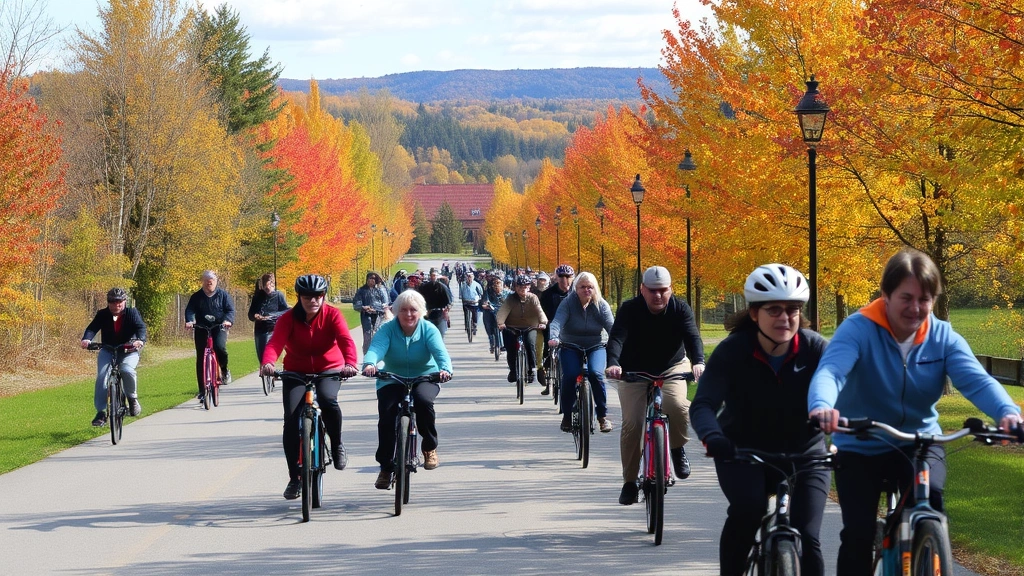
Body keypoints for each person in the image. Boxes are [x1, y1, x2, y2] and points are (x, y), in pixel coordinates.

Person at [808, 248, 1022, 575]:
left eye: (925, 299)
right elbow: (831, 372)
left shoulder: (941, 336)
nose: (916, 308)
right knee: (858, 534)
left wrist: (1008, 413)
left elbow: (976, 380)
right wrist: (822, 406)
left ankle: (927, 545)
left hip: (920, 441)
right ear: (886, 295)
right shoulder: (858, 329)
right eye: (906, 297)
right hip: (861, 442)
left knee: (931, 497)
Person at [691, 264, 829, 576]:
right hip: (743, 452)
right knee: (748, 512)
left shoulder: (816, 349)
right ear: (754, 313)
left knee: (808, 536)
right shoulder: (733, 351)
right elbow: (703, 404)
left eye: (793, 309)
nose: (785, 317)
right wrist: (713, 437)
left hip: (805, 454)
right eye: (774, 309)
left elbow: (845, 393)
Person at [606, 265, 705, 505]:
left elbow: (692, 336)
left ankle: (677, 448)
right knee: (633, 423)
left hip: (672, 366)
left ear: (671, 289)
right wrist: (613, 363)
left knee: (677, 405)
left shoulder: (680, 308)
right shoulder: (630, 309)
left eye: (663, 290)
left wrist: (699, 362)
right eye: (652, 290)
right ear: (642, 289)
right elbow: (617, 337)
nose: (658, 295)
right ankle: (630, 482)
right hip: (633, 371)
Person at [261, 274, 359, 500]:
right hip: (295, 370)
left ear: (323, 296)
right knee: (291, 420)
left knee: (328, 400)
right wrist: (267, 362)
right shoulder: (288, 318)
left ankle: (336, 444)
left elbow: (345, 340)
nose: (313, 301)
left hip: (329, 368)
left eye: (318, 296)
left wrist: (350, 364)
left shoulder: (333, 315)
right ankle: (294, 478)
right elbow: (275, 343)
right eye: (307, 297)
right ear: (299, 297)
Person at [362, 290, 453, 489]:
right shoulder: (388, 329)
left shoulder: (429, 329)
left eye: (413, 310)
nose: (409, 314)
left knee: (424, 402)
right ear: (396, 312)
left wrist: (445, 369)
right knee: (387, 415)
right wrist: (370, 364)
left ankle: (429, 447)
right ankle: (386, 467)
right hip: (392, 377)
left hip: (425, 375)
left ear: (421, 311)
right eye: (403, 310)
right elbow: (376, 348)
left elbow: (440, 352)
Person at [548, 272, 615, 433]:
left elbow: (612, 326)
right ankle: (567, 415)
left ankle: (602, 417)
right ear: (575, 288)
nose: (586, 290)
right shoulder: (568, 303)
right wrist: (554, 337)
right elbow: (557, 321)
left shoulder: (601, 305)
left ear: (595, 288)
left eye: (590, 287)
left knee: (596, 374)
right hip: (570, 344)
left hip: (595, 345)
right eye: (582, 287)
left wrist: (617, 341)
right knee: (570, 375)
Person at [81, 287, 147, 426]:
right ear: (108, 302)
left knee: (127, 370)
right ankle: (101, 413)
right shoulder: (103, 314)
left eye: (119, 302)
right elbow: (92, 328)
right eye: (112, 302)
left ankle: (132, 400)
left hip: (129, 350)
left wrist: (139, 340)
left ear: (125, 302)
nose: (116, 305)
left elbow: (140, 327)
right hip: (108, 349)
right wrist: (87, 339)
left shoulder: (132, 313)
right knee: (102, 376)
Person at [185, 270, 235, 398]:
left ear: (216, 282)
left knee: (220, 347)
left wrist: (227, 321)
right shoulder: (196, 297)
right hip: (202, 327)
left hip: (219, 326)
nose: (209, 283)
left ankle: (224, 370)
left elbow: (230, 310)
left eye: (211, 281)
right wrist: (190, 321)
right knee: (201, 357)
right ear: (203, 282)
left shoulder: (223, 295)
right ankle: (202, 391)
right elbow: (190, 310)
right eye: (207, 281)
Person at [497, 275, 547, 383]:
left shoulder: (533, 298)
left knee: (530, 343)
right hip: (512, 327)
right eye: (519, 286)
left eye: (525, 286)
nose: (522, 289)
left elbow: (539, 311)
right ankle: (513, 371)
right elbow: (503, 310)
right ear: (515, 287)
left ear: (529, 287)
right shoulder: (511, 298)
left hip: (530, 327)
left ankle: (531, 370)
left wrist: (543, 322)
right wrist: (500, 322)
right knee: (510, 348)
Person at [539, 264, 575, 394]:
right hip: (552, 325)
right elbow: (542, 311)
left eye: (568, 276)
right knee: (548, 348)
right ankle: (548, 376)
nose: (565, 280)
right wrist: (545, 321)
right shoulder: (548, 294)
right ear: (556, 278)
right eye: (561, 276)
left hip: (571, 327)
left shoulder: (576, 293)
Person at [248, 273, 289, 370]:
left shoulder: (279, 295)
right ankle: (265, 368)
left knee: (285, 346)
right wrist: (256, 316)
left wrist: (272, 316)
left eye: (269, 287)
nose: (268, 290)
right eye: (265, 288)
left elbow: (286, 310)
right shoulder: (257, 296)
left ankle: (286, 367)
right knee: (261, 354)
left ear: (273, 285)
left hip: (275, 326)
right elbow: (250, 314)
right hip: (261, 327)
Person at [353, 271, 391, 354]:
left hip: (378, 316)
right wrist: (363, 307)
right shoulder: (362, 290)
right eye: (370, 278)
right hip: (366, 316)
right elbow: (356, 303)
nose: (372, 280)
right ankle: (367, 356)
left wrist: (376, 310)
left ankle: (376, 354)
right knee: (367, 336)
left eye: (374, 278)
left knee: (377, 335)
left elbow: (385, 304)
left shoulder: (380, 290)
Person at [417, 267, 453, 337]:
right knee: (428, 335)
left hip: (440, 313)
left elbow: (449, 301)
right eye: (432, 275)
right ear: (430, 276)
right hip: (428, 314)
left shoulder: (442, 287)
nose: (434, 277)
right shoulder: (425, 287)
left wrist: (447, 309)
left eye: (435, 275)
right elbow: (420, 299)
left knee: (440, 335)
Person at [481, 275, 511, 354]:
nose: (497, 287)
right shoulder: (488, 292)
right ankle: (492, 342)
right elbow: (485, 301)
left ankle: (505, 343)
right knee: (488, 326)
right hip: (490, 312)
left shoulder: (507, 292)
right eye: (495, 285)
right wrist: (485, 305)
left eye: (499, 284)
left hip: (502, 312)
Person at [459, 270, 484, 335]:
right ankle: (467, 326)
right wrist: (461, 297)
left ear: (473, 277)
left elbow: (481, 292)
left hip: (474, 302)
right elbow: (460, 293)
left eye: (470, 277)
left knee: (474, 313)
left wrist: (479, 298)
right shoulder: (463, 284)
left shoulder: (476, 284)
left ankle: (475, 325)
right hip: (466, 302)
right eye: (467, 277)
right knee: (466, 313)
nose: (469, 278)